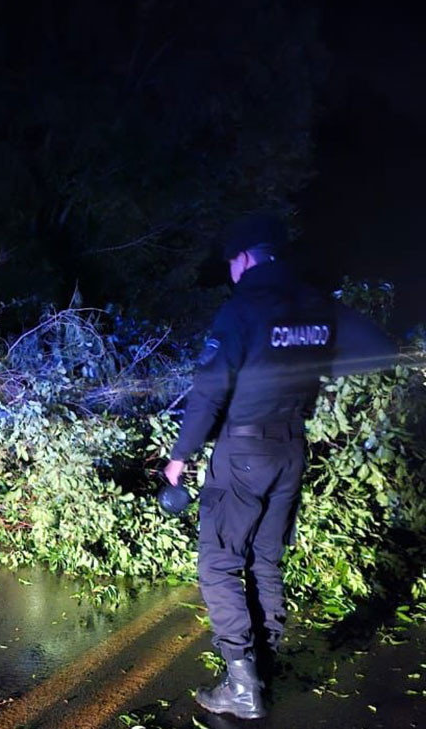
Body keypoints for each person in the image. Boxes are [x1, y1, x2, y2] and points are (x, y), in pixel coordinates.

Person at [161, 214, 396, 719]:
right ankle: (263, 664)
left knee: (219, 563)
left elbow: (210, 390)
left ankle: (242, 684)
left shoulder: (243, 308)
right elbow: (380, 348)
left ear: (245, 258)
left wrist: (180, 455)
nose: (231, 271)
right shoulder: (315, 304)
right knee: (265, 560)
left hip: (244, 452)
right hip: (291, 450)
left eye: (231, 262)